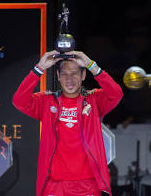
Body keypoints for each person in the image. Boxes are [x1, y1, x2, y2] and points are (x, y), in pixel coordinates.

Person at [12, 50, 123, 196]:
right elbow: (19, 101)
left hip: (88, 185)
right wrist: (39, 68)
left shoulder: (93, 100)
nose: (69, 78)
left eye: (74, 73)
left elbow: (116, 94)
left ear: (83, 75)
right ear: (58, 76)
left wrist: (91, 65)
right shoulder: (46, 102)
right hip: (54, 185)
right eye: (64, 74)